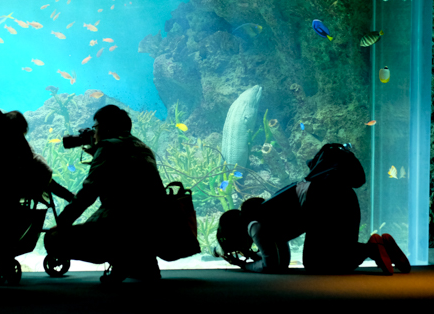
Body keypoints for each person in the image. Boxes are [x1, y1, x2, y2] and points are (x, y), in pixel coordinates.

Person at [213, 143, 411, 275]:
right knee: (335, 252)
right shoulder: (265, 216)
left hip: (322, 200)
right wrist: (256, 259)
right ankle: (377, 244)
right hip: (343, 196)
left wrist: (245, 266)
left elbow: (271, 265)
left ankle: (373, 249)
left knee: (316, 263)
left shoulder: (254, 225)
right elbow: (280, 262)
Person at [43, 104, 166, 283]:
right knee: (134, 223)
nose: (93, 134)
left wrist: (62, 223)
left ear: (106, 127)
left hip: (121, 224)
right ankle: (144, 261)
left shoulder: (108, 147)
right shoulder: (142, 147)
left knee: (53, 240)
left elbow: (88, 193)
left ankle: (121, 261)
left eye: (95, 128)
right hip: (154, 226)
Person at [3, 110, 75, 204]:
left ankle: (68, 196)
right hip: (26, 183)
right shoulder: (20, 143)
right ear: (23, 128)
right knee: (49, 182)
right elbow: (29, 161)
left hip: (4, 184)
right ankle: (69, 196)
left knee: (48, 182)